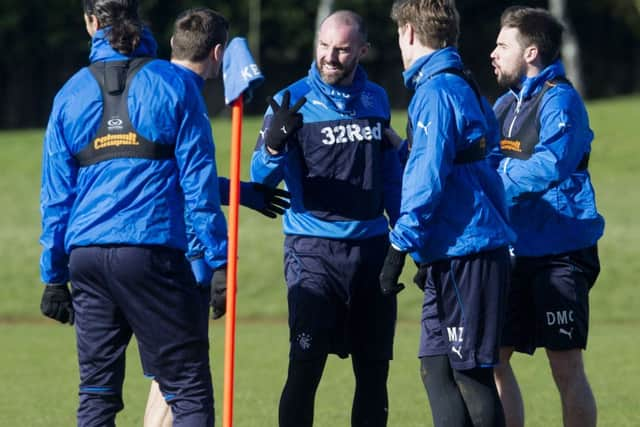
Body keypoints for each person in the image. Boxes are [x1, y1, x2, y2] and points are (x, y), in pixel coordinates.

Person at [39, 1, 228, 425]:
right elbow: (197, 184)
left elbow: (55, 198)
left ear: (91, 22)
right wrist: (218, 262)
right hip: (151, 252)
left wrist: (53, 276)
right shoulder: (173, 84)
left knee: (97, 394)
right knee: (189, 389)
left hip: (86, 257)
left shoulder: (69, 94)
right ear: (139, 20)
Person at [250, 10, 403, 427]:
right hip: (313, 252)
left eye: (341, 50)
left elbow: (391, 178)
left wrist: (406, 236)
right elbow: (260, 178)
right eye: (324, 47)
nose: (330, 58)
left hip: (372, 250)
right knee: (305, 365)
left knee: (374, 372)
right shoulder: (289, 99)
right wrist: (274, 147)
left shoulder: (377, 101)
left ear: (362, 51)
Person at [141, 8, 290, 427]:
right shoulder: (187, 98)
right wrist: (214, 262)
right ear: (219, 53)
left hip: (134, 252)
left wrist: (244, 193)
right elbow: (196, 190)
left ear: (173, 44)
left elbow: (179, 177)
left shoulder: (143, 86)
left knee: (165, 378)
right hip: (182, 258)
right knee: (181, 382)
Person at [380, 1, 516, 426]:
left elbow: (427, 178)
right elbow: (468, 161)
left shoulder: (436, 91)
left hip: (467, 250)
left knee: (470, 375)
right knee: (436, 368)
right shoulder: (462, 82)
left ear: (408, 33)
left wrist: (400, 246)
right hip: (451, 250)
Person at [489, 6, 604, 427]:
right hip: (513, 251)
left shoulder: (562, 101)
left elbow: (550, 165)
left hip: (561, 254)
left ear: (531, 51)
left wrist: (495, 178)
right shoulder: (503, 105)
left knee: (565, 366)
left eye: (503, 45)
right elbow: (477, 162)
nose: (493, 53)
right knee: (494, 360)